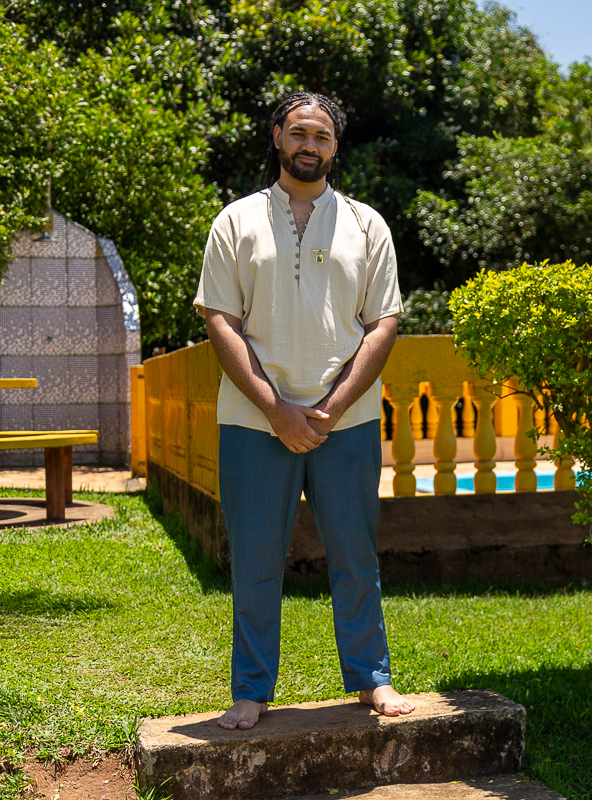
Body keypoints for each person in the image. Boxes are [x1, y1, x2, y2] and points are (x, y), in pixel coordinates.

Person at [194, 91, 415, 730]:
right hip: (251, 419)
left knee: (355, 555)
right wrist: (276, 409)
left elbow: (384, 323)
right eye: (298, 132)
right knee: (256, 559)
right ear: (277, 137)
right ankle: (251, 690)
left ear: (336, 146)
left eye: (321, 135)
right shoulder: (234, 222)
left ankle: (372, 681)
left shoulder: (368, 225)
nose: (309, 145)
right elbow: (220, 319)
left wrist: (327, 407)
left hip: (345, 418)